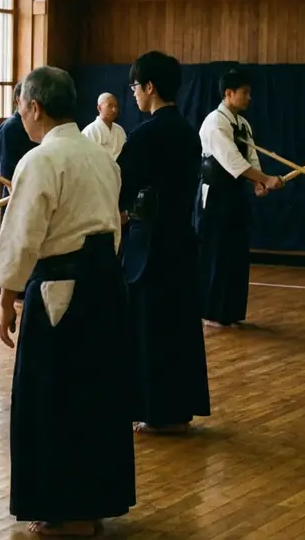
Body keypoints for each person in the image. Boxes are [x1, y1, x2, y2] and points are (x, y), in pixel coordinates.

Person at [0, 66, 135, 538]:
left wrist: (7, 298)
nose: (20, 116)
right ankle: (90, 504)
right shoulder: (100, 156)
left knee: (54, 399)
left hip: (61, 293)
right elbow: (113, 226)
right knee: (96, 394)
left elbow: (22, 237)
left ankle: (63, 506)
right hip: (105, 286)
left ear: (35, 107)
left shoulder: (41, 160)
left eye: (21, 107)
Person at [117, 51, 211, 435]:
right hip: (181, 240)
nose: (134, 94)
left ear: (150, 87)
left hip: (150, 244)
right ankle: (176, 409)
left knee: (148, 327)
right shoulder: (188, 133)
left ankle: (155, 410)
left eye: (136, 87)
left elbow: (119, 188)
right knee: (178, 327)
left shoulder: (144, 136)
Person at [195, 68, 283, 329]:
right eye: (245, 93)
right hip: (215, 196)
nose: (249, 98)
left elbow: (250, 158)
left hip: (235, 194)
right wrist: (265, 179)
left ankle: (230, 312)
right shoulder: (215, 122)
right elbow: (232, 161)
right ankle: (210, 311)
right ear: (229, 93)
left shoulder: (242, 124)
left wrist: (259, 183)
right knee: (216, 253)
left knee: (235, 253)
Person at [0, 81, 39, 194]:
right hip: (16, 193)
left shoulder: (37, 123)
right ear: (18, 100)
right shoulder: (10, 128)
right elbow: (6, 172)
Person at [82, 92, 126, 160]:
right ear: (99, 108)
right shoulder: (90, 131)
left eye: (116, 106)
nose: (114, 110)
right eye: (110, 106)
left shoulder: (119, 130)